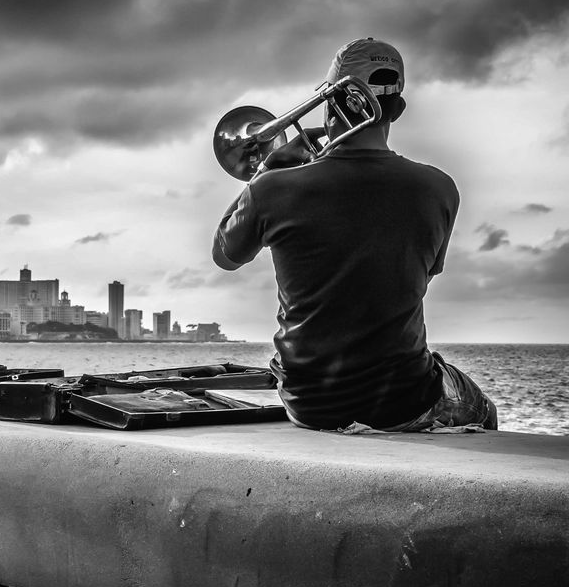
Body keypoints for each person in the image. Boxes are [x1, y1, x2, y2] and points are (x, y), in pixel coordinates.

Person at [212, 37, 497, 433]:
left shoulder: (273, 189)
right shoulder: (440, 188)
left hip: (309, 402)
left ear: (330, 103)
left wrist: (265, 173)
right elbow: (415, 282)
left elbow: (224, 255)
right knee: (483, 407)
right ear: (397, 109)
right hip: (402, 400)